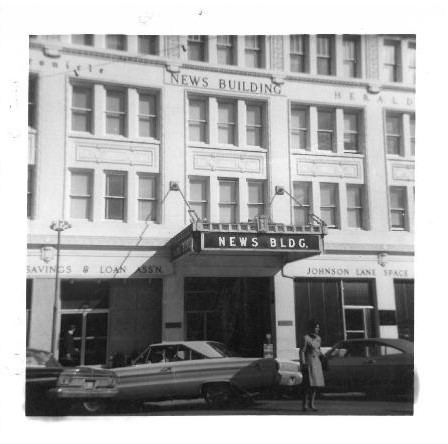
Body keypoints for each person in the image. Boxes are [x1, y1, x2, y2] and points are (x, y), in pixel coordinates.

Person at [299, 319, 325, 411]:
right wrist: (303, 363)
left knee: (315, 385)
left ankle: (312, 404)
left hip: (317, 363)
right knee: (307, 385)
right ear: (311, 328)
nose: (317, 329)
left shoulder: (318, 338)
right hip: (309, 363)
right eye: (315, 327)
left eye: (318, 327)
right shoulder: (306, 338)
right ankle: (304, 405)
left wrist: (322, 355)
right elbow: (302, 351)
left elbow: (318, 350)